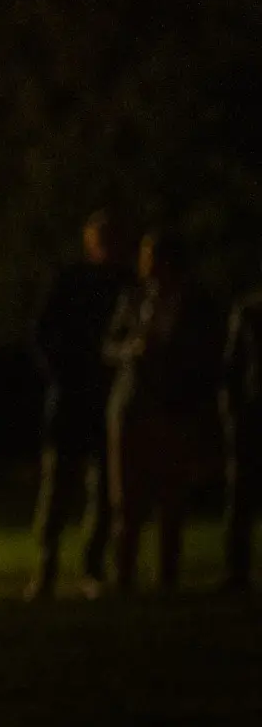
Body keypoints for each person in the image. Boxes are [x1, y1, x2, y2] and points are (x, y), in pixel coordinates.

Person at [104, 232, 222, 594]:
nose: (146, 266)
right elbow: (108, 346)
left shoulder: (195, 305)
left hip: (173, 408)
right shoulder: (132, 299)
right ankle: (123, 576)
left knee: (172, 497)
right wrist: (130, 350)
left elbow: (206, 356)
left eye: (152, 258)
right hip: (130, 406)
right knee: (126, 498)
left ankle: (166, 578)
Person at [27, 211, 133, 600]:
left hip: (109, 400)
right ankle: (46, 567)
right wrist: (63, 372)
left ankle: (93, 566)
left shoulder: (128, 286)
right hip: (72, 397)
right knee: (58, 488)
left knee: (105, 489)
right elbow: (42, 333)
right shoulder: (70, 281)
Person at [222, 279, 262, 594]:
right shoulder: (249, 310)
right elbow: (233, 367)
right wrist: (233, 413)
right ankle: (237, 571)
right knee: (241, 495)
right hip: (252, 413)